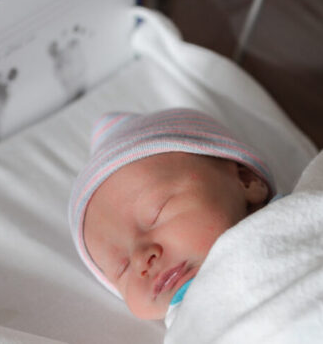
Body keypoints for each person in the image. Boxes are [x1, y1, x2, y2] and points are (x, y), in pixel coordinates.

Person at [68, 108, 276, 323]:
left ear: (246, 180)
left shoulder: (295, 214)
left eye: (156, 213)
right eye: (121, 267)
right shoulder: (186, 329)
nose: (140, 259)